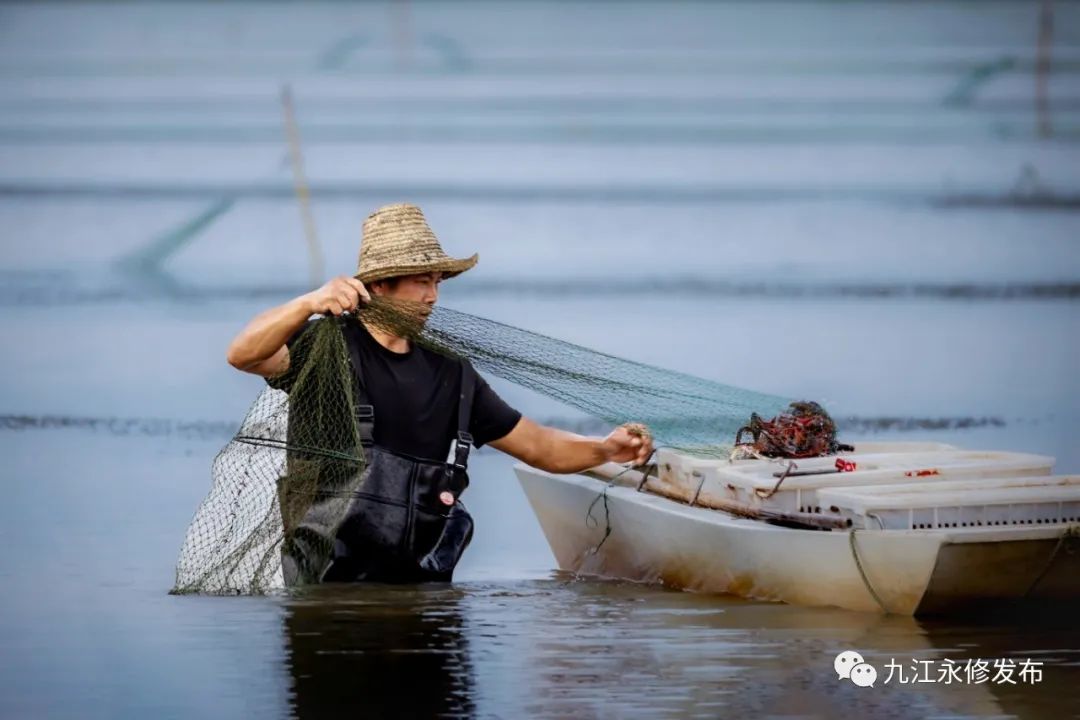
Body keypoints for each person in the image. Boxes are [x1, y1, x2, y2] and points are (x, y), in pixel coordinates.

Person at [226, 203, 653, 584]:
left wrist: (606, 449)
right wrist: (308, 303)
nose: (433, 296)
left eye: (437, 282)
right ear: (379, 286)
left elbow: (542, 447)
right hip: (325, 581)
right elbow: (243, 354)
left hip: (417, 583)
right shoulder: (325, 349)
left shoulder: (453, 374)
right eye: (420, 282)